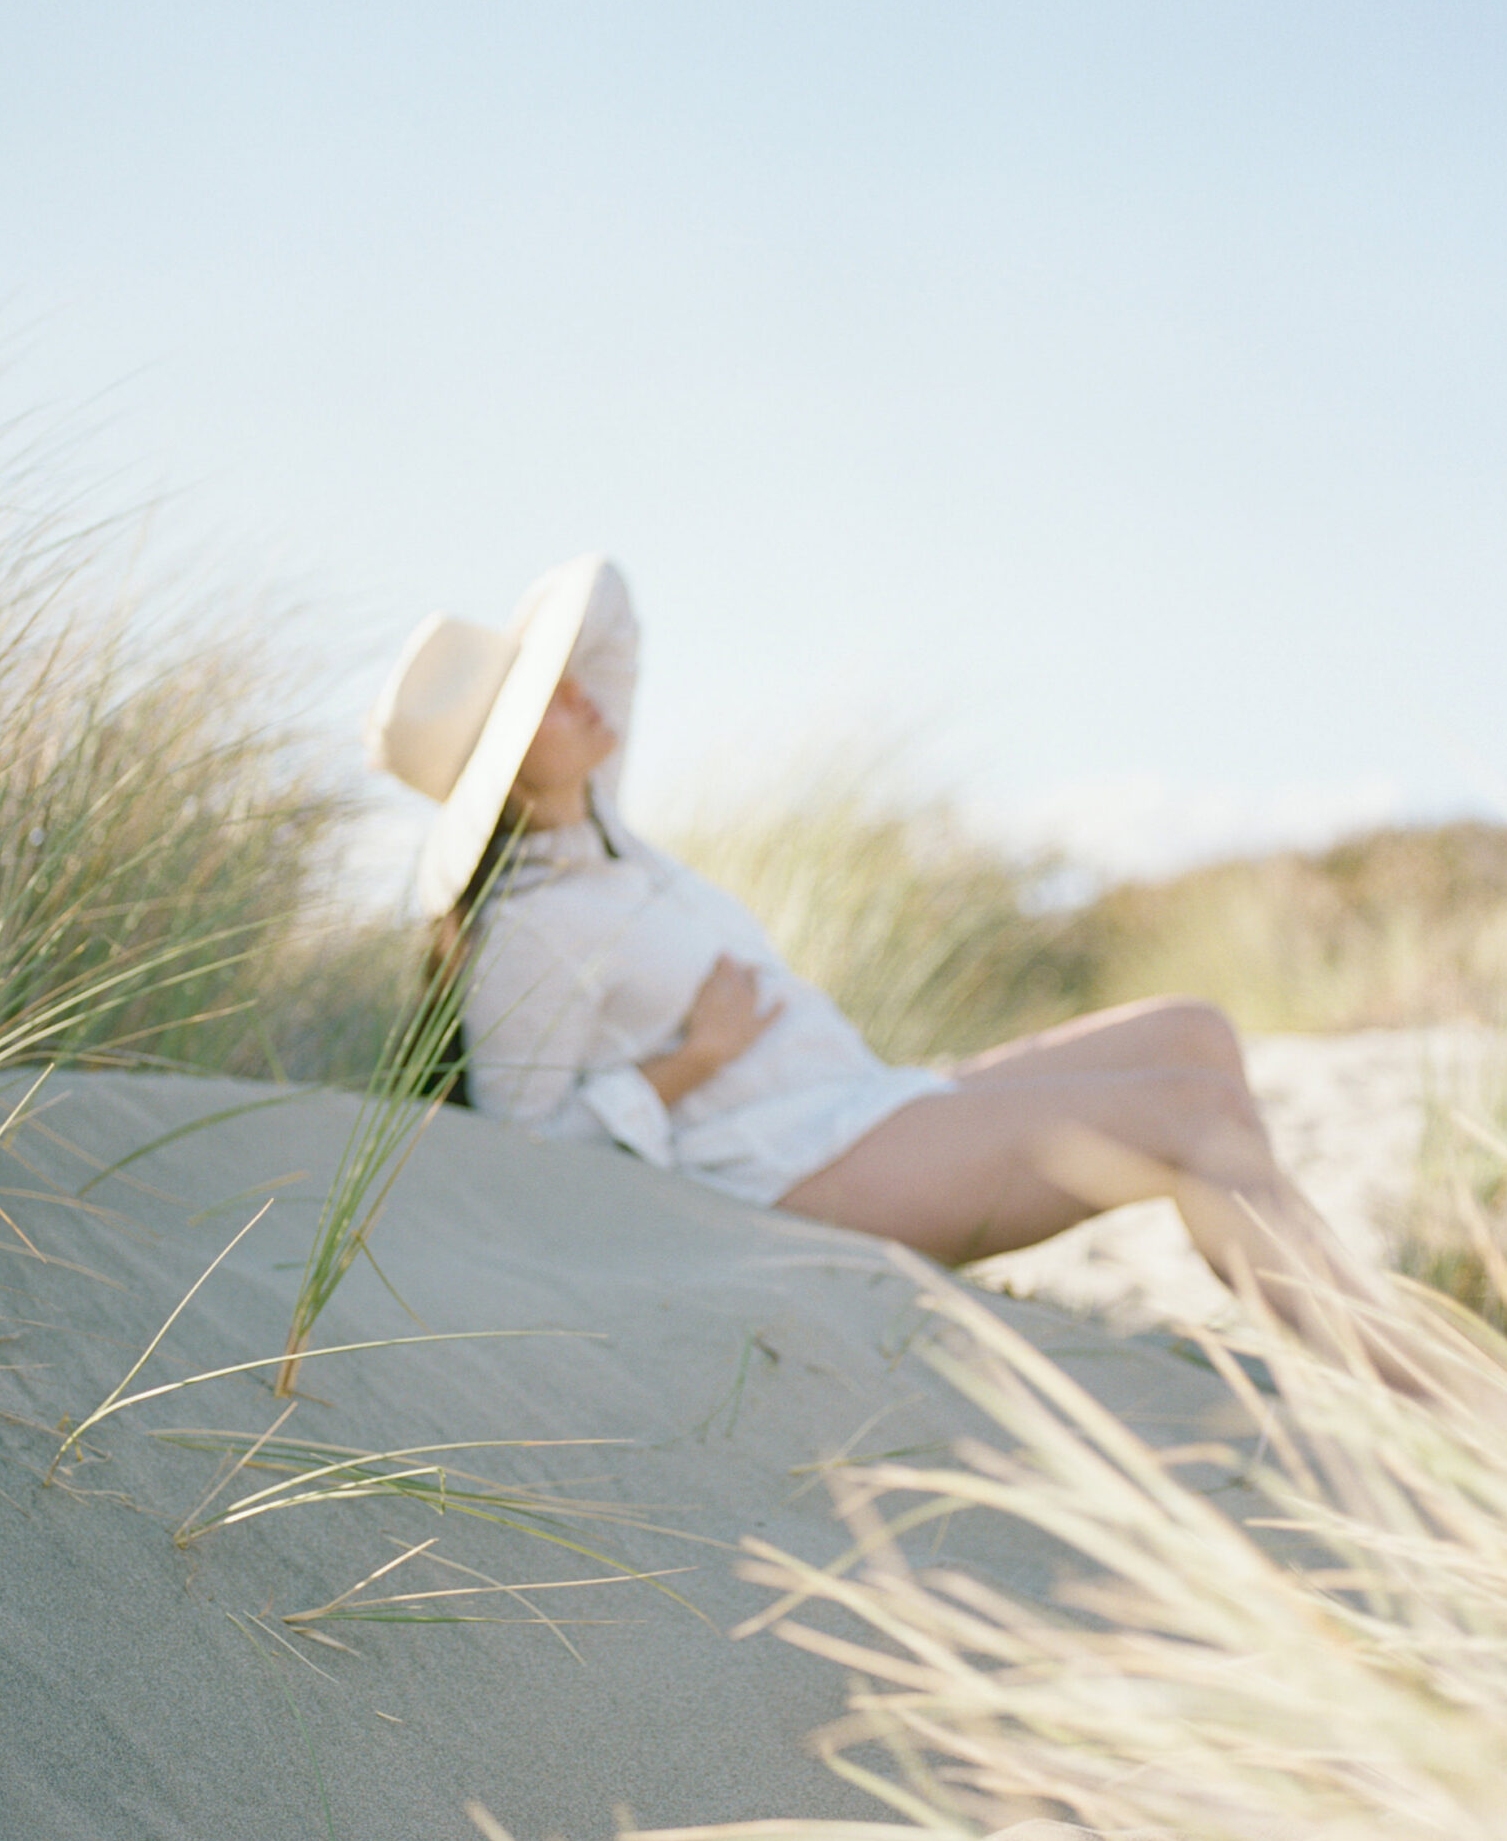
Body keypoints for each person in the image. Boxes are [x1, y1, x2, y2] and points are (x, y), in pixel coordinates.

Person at [366, 554, 1382, 1358]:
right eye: (545, 699)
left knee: (1192, 1032)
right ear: (499, 774)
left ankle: (1318, 1302)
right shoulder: (528, 924)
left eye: (564, 677)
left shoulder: (619, 858)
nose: (583, 696)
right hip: (780, 1175)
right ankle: (1402, 1378)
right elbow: (518, 1151)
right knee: (1187, 1116)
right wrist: (695, 1059)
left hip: (854, 1106)